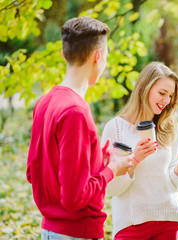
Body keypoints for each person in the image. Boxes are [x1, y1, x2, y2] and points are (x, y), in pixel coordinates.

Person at [26, 16, 134, 240]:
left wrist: (95, 161)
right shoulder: (75, 111)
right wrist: (111, 170)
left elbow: (33, 172)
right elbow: (74, 198)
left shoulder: (45, 102)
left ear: (64, 54)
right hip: (77, 233)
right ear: (98, 57)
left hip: (50, 230)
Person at [101, 61, 178, 240]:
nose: (166, 101)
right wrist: (134, 160)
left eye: (170, 95)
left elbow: (174, 183)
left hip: (168, 218)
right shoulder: (116, 128)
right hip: (131, 223)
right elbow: (110, 188)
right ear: (144, 89)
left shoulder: (169, 127)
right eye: (162, 93)